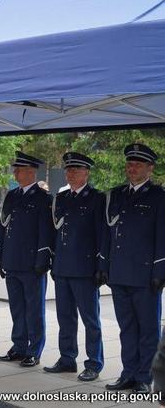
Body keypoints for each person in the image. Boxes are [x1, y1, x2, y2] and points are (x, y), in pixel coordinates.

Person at [100, 143, 165, 394]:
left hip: (145, 275)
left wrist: (160, 272)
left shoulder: (159, 197)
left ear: (150, 168)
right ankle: (128, 373)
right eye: (130, 163)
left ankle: (144, 377)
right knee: (126, 328)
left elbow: (162, 237)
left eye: (138, 164)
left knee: (147, 330)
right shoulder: (116, 195)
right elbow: (109, 233)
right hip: (119, 273)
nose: (132, 168)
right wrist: (104, 265)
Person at [43, 152, 105, 381]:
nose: (70, 173)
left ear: (86, 173)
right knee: (65, 317)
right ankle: (67, 358)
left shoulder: (96, 198)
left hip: (85, 269)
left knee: (90, 319)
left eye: (75, 170)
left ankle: (94, 363)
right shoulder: (62, 198)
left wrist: (101, 266)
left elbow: (101, 235)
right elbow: (55, 233)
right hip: (62, 267)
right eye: (68, 170)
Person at [0, 151, 54, 368]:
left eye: (19, 169)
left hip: (31, 264)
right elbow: (3, 226)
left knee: (34, 309)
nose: (15, 172)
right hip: (12, 260)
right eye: (15, 169)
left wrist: (42, 259)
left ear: (31, 171)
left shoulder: (43, 198)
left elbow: (45, 232)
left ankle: (34, 350)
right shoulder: (12, 196)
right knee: (17, 308)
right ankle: (19, 346)